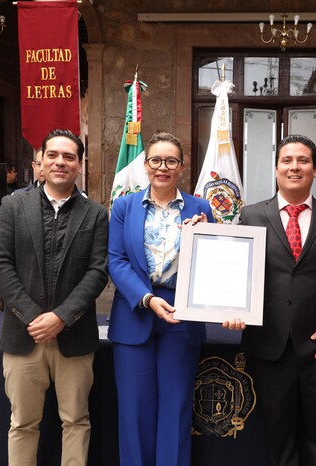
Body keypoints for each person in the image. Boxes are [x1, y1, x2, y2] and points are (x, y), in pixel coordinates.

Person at [223, 134, 316, 466]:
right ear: (276, 168)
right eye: (287, 161)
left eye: (303, 161)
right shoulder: (251, 216)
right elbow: (237, 273)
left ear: (314, 170)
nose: (294, 167)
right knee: (280, 445)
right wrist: (232, 307)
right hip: (270, 347)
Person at [0, 129, 109, 465]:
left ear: (80, 165)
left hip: (74, 337)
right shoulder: (12, 206)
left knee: (76, 421)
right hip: (23, 336)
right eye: (53, 155)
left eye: (69, 157)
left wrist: (61, 318)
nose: (60, 162)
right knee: (23, 423)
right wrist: (33, 316)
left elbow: (98, 272)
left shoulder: (96, 214)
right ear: (40, 163)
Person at [108, 132, 214, 466]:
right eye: (156, 160)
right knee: (134, 413)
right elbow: (116, 260)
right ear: (145, 164)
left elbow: (213, 263)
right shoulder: (124, 206)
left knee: (175, 409)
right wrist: (147, 298)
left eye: (171, 161)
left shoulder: (201, 207)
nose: (163, 167)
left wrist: (203, 235)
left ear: (182, 167)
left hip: (183, 314)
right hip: (135, 312)